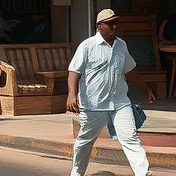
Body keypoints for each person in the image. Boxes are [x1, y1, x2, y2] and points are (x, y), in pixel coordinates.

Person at [67, 9, 156, 176]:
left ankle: (143, 173)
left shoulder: (122, 45)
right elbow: (74, 71)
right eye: (110, 23)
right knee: (85, 142)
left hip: (120, 102)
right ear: (100, 26)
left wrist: (145, 89)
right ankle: (77, 173)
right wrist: (72, 94)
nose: (115, 26)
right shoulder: (87, 46)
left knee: (130, 138)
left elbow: (130, 71)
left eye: (116, 23)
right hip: (94, 105)